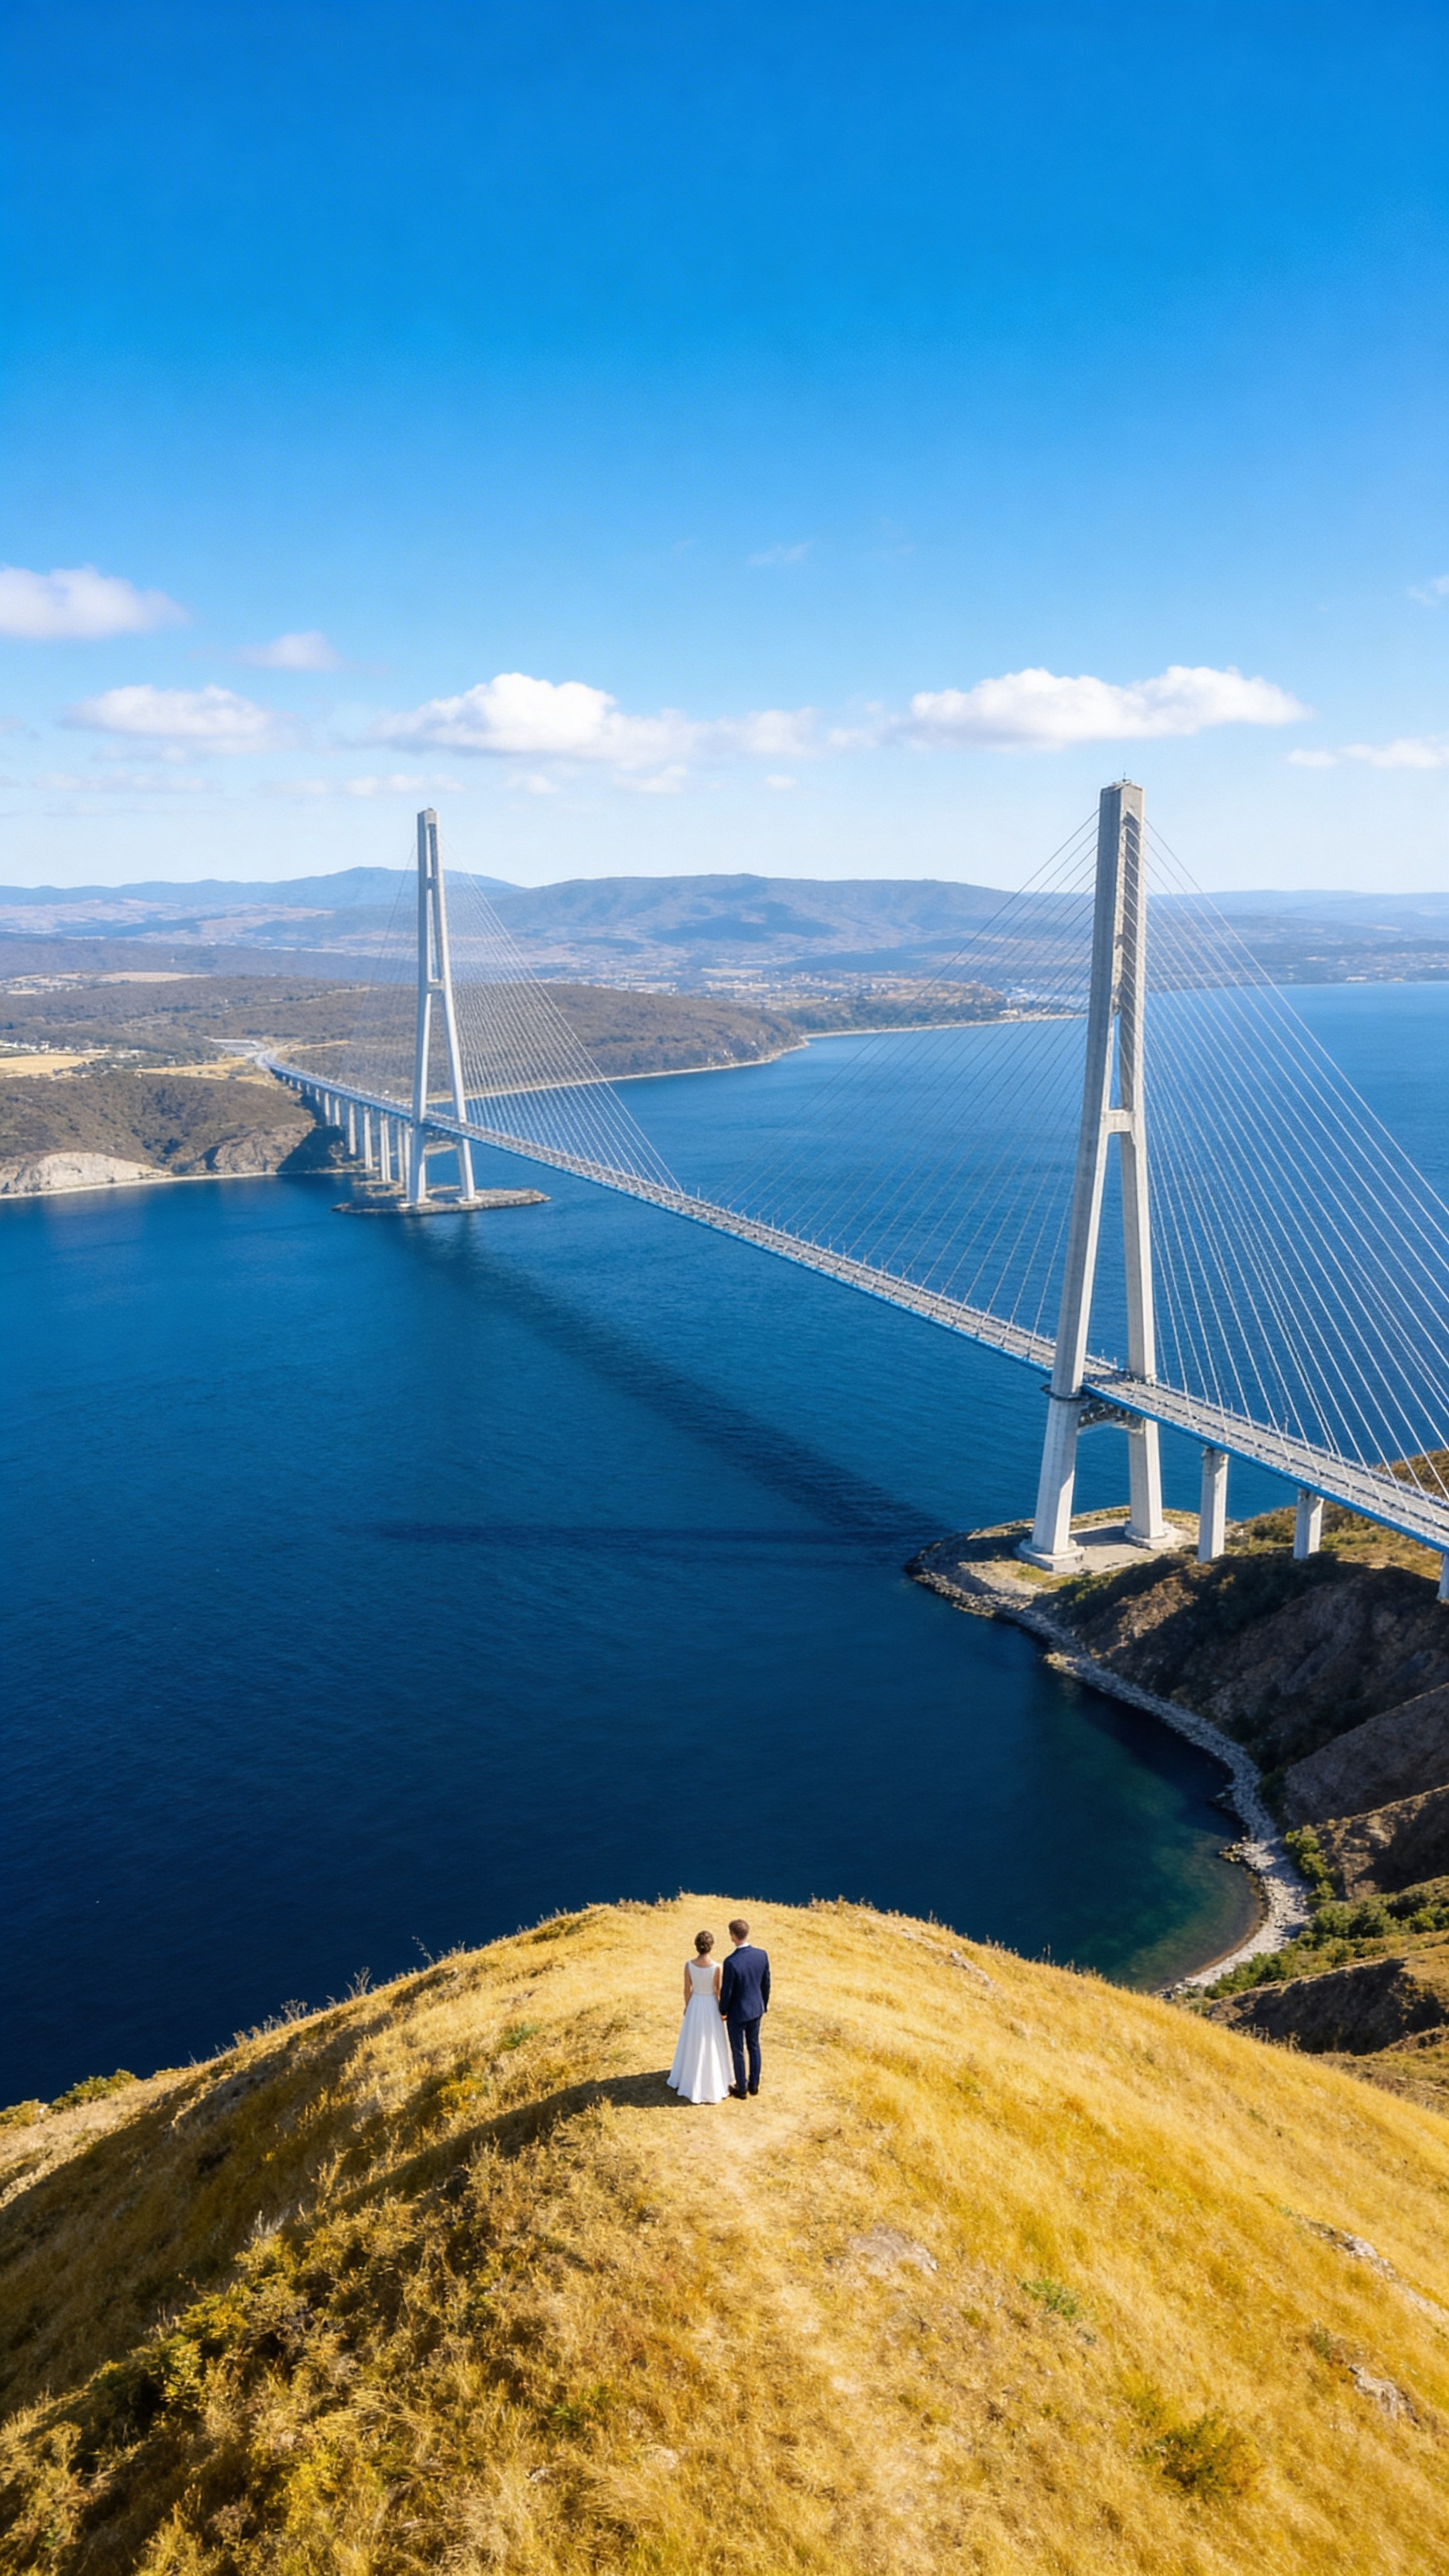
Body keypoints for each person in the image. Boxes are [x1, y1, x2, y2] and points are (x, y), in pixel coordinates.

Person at [666, 1929, 734, 2105]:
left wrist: (688, 2007)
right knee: (712, 2041)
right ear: (711, 1947)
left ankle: (690, 2075)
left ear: (697, 1946)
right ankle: (713, 2079)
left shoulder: (689, 1965)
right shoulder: (717, 1967)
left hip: (696, 2003)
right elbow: (718, 1991)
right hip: (710, 2005)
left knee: (693, 2040)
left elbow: (687, 1989)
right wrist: (722, 2010)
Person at [718, 1916, 770, 2099]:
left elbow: (727, 1992)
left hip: (737, 2013)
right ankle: (754, 2085)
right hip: (756, 2009)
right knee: (754, 2046)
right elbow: (766, 1984)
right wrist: (763, 2004)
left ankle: (741, 2087)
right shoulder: (762, 1955)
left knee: (738, 2050)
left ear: (733, 1936)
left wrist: (722, 2010)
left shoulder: (731, 1962)